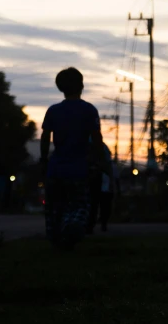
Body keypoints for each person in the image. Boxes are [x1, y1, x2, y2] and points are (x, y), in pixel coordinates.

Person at [40, 67, 104, 250]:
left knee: (54, 208)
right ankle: (72, 226)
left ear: (60, 88)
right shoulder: (89, 110)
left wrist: (44, 160)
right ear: (82, 85)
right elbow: (97, 138)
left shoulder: (53, 111)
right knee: (79, 204)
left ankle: (57, 240)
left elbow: (45, 137)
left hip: (56, 167)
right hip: (79, 168)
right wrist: (98, 160)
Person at [87, 142, 114, 234]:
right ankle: (93, 225)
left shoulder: (101, 147)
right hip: (95, 180)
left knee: (96, 204)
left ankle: (97, 224)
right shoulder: (101, 146)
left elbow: (108, 166)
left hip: (99, 181)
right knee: (95, 204)